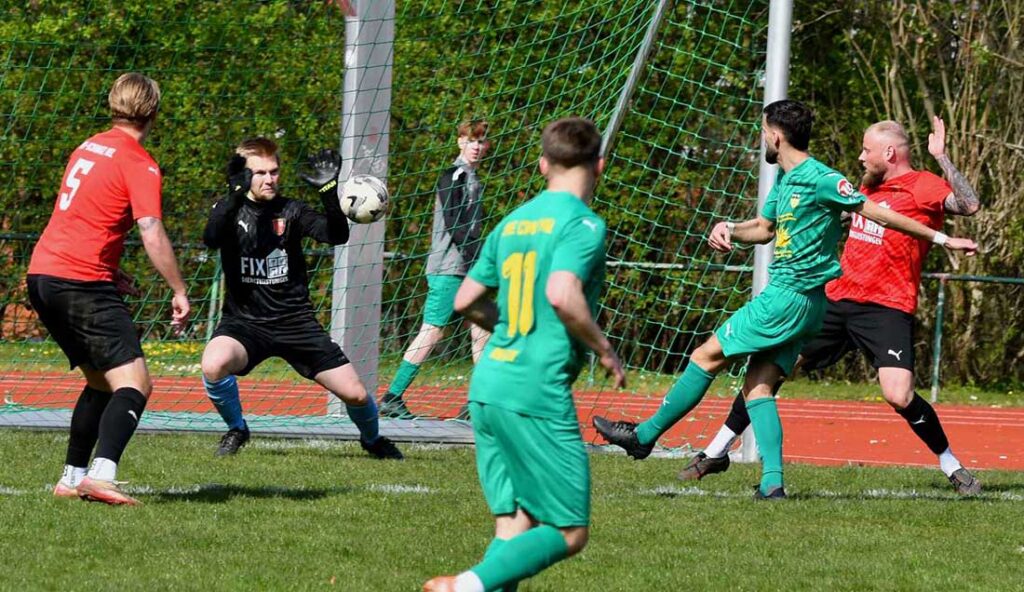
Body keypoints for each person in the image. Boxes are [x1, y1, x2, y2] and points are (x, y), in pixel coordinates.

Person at [592, 100, 977, 500]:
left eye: (763, 132)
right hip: (827, 302)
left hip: (798, 299)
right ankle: (769, 482)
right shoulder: (789, 179)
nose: (861, 156)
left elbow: (883, 213)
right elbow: (764, 228)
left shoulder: (827, 179)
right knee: (760, 384)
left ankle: (644, 436)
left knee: (705, 357)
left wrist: (943, 237)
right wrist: (729, 228)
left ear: (776, 137)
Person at [422, 117, 626, 592]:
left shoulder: (512, 222)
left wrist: (511, 323)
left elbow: (465, 300)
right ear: (599, 165)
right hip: (535, 388)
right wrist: (605, 349)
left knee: (515, 525)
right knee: (569, 530)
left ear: (542, 165)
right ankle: (462, 587)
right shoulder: (583, 224)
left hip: (489, 384)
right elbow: (561, 293)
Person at [27, 72, 191, 506]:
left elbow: (83, 215)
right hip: (79, 280)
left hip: (43, 276)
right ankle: (102, 475)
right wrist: (179, 289)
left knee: (101, 381)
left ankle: (72, 476)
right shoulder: (140, 162)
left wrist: (108, 267)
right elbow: (151, 229)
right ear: (153, 111)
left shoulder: (87, 147)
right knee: (136, 383)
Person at [199, 138, 402, 460]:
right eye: (260, 173)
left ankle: (372, 439)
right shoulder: (228, 210)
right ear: (243, 174)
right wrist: (233, 195)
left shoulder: (291, 210)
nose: (269, 179)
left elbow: (336, 235)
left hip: (296, 323)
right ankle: (237, 428)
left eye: (274, 171)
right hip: (244, 324)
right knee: (213, 364)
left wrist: (329, 193)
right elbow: (211, 238)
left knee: (356, 394)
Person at [379, 120, 491, 419]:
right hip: (449, 267)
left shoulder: (474, 178)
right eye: (471, 140)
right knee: (432, 331)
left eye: (481, 141)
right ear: (459, 142)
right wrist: (481, 255)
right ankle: (392, 396)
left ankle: (476, 404)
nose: (476, 146)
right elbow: (454, 224)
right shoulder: (452, 175)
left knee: (482, 330)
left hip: (468, 268)